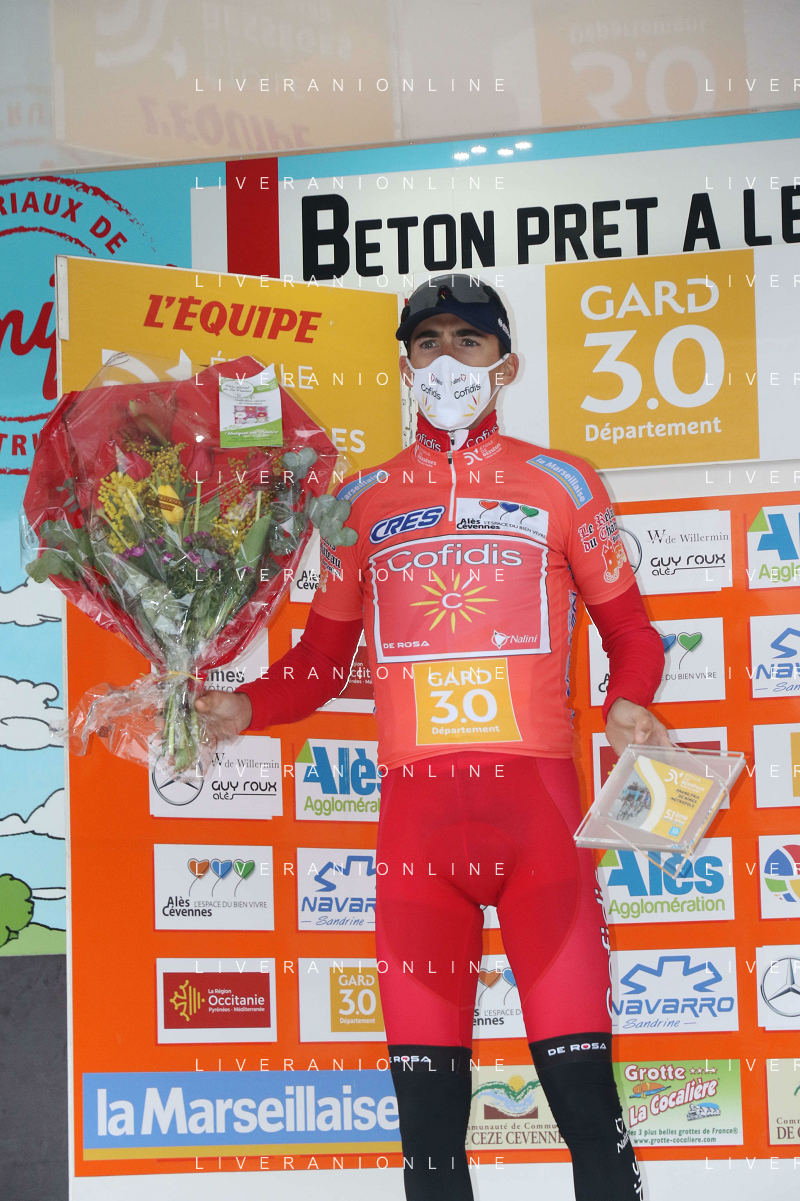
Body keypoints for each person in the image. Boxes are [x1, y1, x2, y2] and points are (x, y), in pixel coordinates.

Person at [196, 274, 668, 1201]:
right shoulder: (360, 502)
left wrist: (629, 699)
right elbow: (319, 663)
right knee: (430, 1151)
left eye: (468, 341)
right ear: (405, 364)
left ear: (505, 364)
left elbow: (632, 632)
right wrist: (242, 707)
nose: (448, 359)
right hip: (418, 844)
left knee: (591, 1121)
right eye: (429, 342)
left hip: (539, 830)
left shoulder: (564, 482)